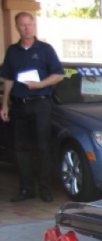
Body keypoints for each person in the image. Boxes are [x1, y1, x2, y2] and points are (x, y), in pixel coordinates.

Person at [1, 11, 64, 202]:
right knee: (21, 149)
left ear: (34, 25)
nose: (26, 28)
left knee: (42, 147)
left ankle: (45, 188)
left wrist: (40, 84)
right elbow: (8, 80)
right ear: (17, 27)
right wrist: (4, 105)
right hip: (19, 105)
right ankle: (26, 189)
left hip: (41, 104)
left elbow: (59, 74)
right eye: (22, 25)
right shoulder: (12, 51)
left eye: (29, 24)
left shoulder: (45, 49)